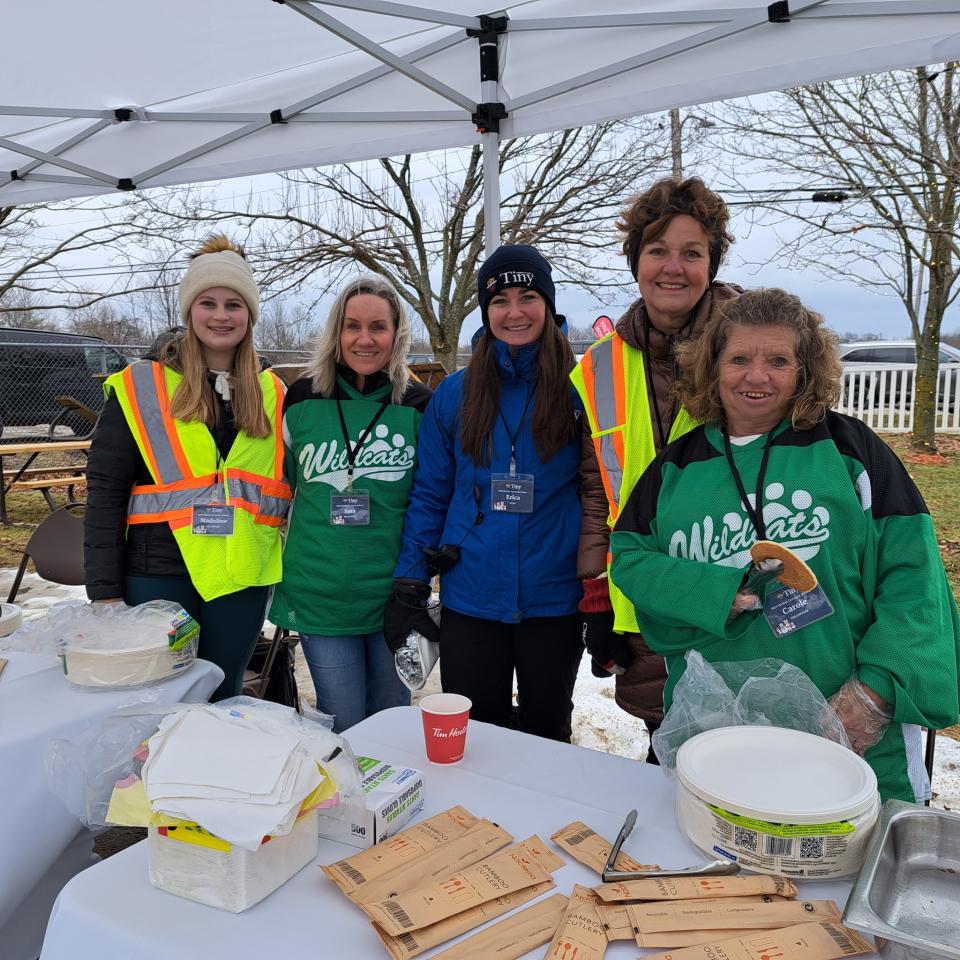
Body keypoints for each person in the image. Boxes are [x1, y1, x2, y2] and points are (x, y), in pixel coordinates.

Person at [609, 287, 960, 801]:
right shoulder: (675, 467)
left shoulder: (851, 451)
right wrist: (711, 591)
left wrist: (879, 691)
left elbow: (915, 579)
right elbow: (631, 558)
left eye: (778, 360)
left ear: (805, 370)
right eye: (739, 359)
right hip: (717, 733)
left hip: (848, 730)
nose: (757, 376)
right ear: (713, 366)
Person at [386, 245, 584, 742]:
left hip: (554, 597)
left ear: (549, 302)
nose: (514, 311)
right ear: (485, 310)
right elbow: (431, 492)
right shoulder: (455, 393)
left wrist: (605, 593)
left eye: (527, 296)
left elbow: (601, 490)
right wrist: (411, 576)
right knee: (477, 736)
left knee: (547, 733)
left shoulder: (581, 388)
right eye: (500, 301)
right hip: (471, 597)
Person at [570, 177, 740, 757]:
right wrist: (597, 596)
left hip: (737, 597)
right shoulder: (596, 367)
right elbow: (596, 492)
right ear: (635, 261)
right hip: (645, 598)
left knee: (738, 748)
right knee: (664, 746)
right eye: (657, 250)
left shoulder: (750, 350)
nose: (674, 267)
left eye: (692, 252)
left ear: (712, 263)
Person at [84, 235, 291, 700]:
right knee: (159, 698)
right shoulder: (140, 386)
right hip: (158, 571)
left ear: (250, 315)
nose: (221, 315)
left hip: (241, 578)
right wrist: (104, 592)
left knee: (225, 694)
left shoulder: (273, 393)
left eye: (234, 304)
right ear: (189, 311)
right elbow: (104, 492)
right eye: (208, 302)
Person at [269, 276, 432, 733]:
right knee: (342, 722)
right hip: (320, 592)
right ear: (335, 333)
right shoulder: (300, 399)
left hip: (392, 596)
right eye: (352, 326)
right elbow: (281, 488)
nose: (365, 339)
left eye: (378, 326)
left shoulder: (419, 405)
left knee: (390, 722)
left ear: (397, 334)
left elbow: (430, 499)